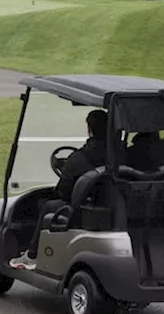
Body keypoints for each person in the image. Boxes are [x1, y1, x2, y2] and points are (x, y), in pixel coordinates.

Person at [10, 109, 110, 271]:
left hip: (84, 208)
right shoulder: (118, 156)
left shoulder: (79, 158)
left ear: (90, 129)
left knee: (47, 205)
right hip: (106, 204)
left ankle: (32, 255)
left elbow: (63, 191)